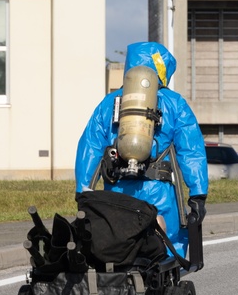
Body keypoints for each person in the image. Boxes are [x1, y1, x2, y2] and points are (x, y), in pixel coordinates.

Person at [75, 41, 209, 260]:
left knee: (118, 244)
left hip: (116, 194)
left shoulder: (109, 103)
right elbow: (191, 150)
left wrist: (82, 191)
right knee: (166, 250)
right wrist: (198, 194)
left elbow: (89, 147)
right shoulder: (174, 103)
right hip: (159, 193)